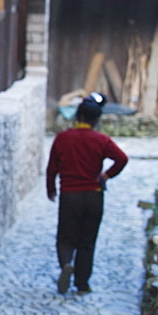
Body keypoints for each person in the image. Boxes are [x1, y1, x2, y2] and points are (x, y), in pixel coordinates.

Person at [46, 93, 128, 294]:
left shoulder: (63, 138)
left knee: (65, 237)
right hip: (93, 194)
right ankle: (82, 284)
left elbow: (52, 167)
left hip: (70, 195)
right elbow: (122, 159)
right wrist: (106, 175)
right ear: (96, 119)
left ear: (77, 116)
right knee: (87, 240)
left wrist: (51, 188)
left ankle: (66, 264)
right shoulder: (101, 140)